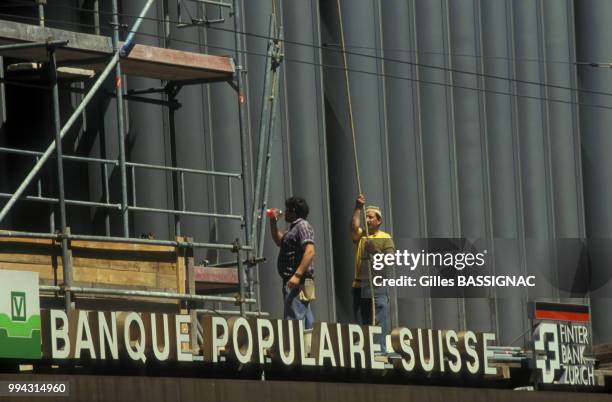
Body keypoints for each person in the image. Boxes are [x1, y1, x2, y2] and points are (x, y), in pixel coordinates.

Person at [350, 194, 394, 352]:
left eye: (370, 217)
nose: (367, 220)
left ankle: (380, 349)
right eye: (366, 217)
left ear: (379, 220)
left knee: (379, 318)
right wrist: (357, 208)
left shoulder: (385, 238)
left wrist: (374, 251)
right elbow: (354, 228)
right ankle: (364, 349)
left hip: (377, 286)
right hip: (359, 285)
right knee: (362, 320)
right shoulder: (361, 235)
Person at [269, 196, 316, 329]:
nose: (285, 212)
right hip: (298, 281)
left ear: (293, 210)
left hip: (299, 282)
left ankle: (294, 348)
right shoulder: (293, 228)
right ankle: (310, 346)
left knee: (293, 319)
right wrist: (273, 222)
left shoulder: (302, 226)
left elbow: (310, 251)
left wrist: (297, 275)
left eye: (287, 210)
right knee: (305, 316)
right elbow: (280, 241)